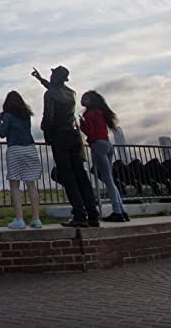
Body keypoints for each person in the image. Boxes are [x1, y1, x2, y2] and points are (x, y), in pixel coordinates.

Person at [35, 66, 100, 228]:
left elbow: (48, 117)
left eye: (52, 74)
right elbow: (54, 90)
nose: (50, 77)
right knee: (81, 176)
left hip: (60, 137)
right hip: (74, 137)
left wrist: (46, 133)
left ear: (56, 76)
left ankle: (79, 215)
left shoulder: (50, 94)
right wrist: (40, 79)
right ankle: (93, 215)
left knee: (68, 176)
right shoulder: (71, 93)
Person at [0, 91, 43, 229]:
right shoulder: (26, 115)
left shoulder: (8, 116)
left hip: (15, 149)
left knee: (15, 185)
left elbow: (2, 133)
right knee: (31, 184)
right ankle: (36, 219)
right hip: (30, 148)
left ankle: (19, 219)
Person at [79, 91, 129, 222]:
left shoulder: (90, 115)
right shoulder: (101, 112)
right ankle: (122, 210)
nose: (82, 100)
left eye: (85, 98)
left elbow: (90, 132)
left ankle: (117, 212)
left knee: (107, 180)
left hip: (98, 145)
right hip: (107, 144)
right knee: (110, 179)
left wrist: (81, 125)